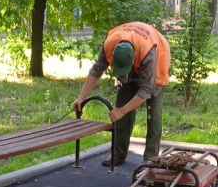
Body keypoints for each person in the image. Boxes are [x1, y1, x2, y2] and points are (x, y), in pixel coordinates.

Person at [73, 21, 171, 166]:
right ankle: (118, 154)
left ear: (133, 58)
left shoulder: (147, 53)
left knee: (154, 113)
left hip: (158, 57)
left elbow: (146, 91)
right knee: (122, 105)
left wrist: (122, 111)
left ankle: (150, 158)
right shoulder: (109, 44)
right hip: (137, 52)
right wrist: (81, 97)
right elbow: (96, 71)